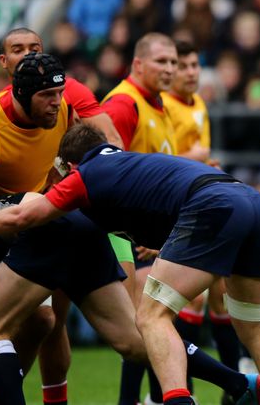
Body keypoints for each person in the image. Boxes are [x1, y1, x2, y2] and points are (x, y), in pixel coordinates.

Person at [0, 124, 260, 404]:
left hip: (213, 206)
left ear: (71, 167)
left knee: (151, 316)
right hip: (253, 202)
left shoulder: (87, 174)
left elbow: (24, 215)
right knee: (258, 331)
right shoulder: (128, 163)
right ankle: (251, 388)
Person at [0, 28, 127, 405]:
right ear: (4, 62)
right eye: (17, 50)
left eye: (34, 48)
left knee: (50, 321)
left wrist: (75, 182)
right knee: (33, 322)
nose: (26, 54)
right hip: (5, 225)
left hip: (56, 217)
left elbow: (110, 144)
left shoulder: (71, 93)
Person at [160, 40, 242, 405]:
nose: (191, 72)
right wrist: (193, 158)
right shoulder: (163, 107)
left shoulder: (199, 106)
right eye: (183, 66)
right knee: (184, 303)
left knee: (220, 298)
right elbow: (158, 162)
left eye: (195, 65)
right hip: (174, 211)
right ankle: (175, 390)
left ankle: (233, 387)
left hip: (202, 207)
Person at [100, 31, 179, 404]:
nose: (170, 68)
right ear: (138, 64)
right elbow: (108, 177)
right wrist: (137, 231)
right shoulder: (123, 105)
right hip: (127, 235)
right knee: (141, 327)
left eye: (173, 62)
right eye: (162, 61)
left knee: (149, 324)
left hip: (150, 235)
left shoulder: (158, 105)